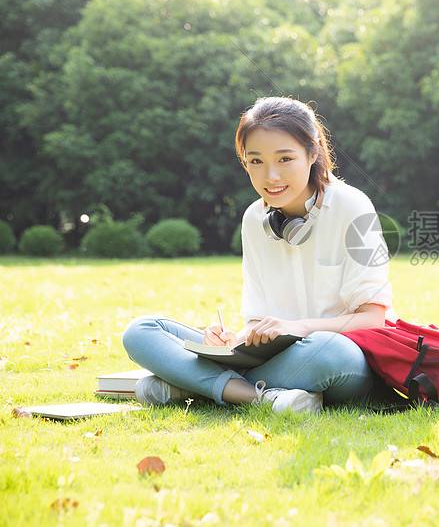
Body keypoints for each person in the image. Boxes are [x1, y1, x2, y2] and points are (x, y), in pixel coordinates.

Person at [122, 96, 395, 414]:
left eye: (284, 159)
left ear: (312, 152)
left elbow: (373, 319)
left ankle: (190, 384)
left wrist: (300, 328)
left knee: (330, 351)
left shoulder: (352, 206)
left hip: (339, 356)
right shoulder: (254, 219)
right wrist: (230, 341)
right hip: (274, 359)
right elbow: (255, 321)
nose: (271, 177)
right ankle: (260, 397)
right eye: (256, 162)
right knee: (142, 330)